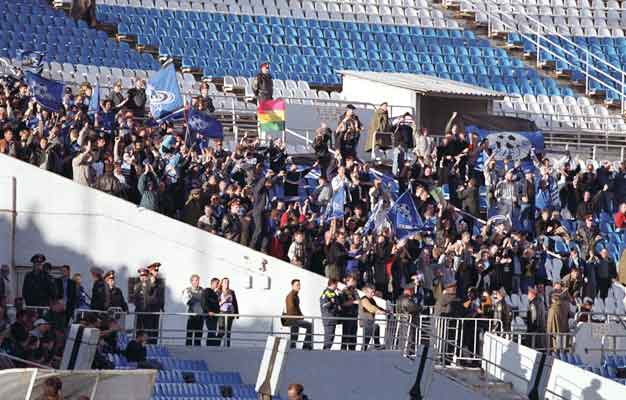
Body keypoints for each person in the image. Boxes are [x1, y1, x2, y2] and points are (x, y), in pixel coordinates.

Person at [284, 279, 312, 350]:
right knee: (309, 326)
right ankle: (305, 345)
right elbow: (291, 308)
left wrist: (301, 315)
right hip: (293, 319)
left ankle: (294, 346)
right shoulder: (291, 296)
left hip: (295, 319)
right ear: (292, 286)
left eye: (299, 285)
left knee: (295, 334)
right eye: (297, 285)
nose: (299, 286)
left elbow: (297, 308)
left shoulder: (295, 295)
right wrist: (299, 316)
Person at [359, 285, 386, 351]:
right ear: (366, 292)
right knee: (367, 337)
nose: (373, 294)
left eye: (373, 292)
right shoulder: (364, 299)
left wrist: (385, 311)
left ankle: (376, 345)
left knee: (375, 328)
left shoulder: (371, 300)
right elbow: (370, 308)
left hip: (370, 321)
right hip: (366, 321)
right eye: (371, 292)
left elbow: (376, 306)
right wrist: (378, 311)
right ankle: (364, 350)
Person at [183, 274, 204, 346]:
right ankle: (188, 351)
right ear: (191, 281)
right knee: (189, 336)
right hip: (191, 316)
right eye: (195, 280)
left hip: (200, 316)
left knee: (198, 338)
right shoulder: (187, 290)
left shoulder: (202, 290)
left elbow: (205, 301)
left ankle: (198, 352)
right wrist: (195, 300)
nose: (197, 282)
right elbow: (186, 301)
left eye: (197, 280)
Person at [319, 279, 341, 350]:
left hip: (333, 318)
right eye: (336, 284)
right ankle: (325, 351)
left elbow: (337, 303)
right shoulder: (326, 293)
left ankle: (327, 350)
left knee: (331, 336)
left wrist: (340, 295)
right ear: (332, 284)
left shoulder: (333, 293)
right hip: (328, 319)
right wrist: (331, 302)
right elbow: (324, 305)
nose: (337, 286)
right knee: (329, 336)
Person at [340, 274, 360, 351]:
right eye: (352, 281)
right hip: (347, 316)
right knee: (346, 335)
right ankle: (343, 350)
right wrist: (353, 302)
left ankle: (352, 350)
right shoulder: (344, 291)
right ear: (347, 282)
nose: (354, 282)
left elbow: (359, 301)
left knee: (353, 335)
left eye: (354, 281)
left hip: (354, 316)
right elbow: (343, 303)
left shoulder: (355, 291)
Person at [217, 277, 239, 347]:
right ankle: (216, 344)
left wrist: (236, 314)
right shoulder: (218, 292)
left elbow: (235, 302)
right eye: (225, 282)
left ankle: (227, 346)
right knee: (221, 331)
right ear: (222, 283)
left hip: (230, 313)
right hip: (221, 313)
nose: (226, 283)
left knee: (228, 331)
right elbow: (216, 304)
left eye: (228, 282)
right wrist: (224, 300)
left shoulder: (231, 291)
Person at [203, 278, 221, 346]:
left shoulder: (215, 293)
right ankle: (210, 346)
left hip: (215, 316)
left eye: (218, 283)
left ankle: (213, 345)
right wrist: (208, 311)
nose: (218, 285)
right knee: (211, 331)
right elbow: (204, 301)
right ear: (212, 283)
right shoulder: (207, 291)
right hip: (209, 316)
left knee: (213, 331)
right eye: (217, 283)